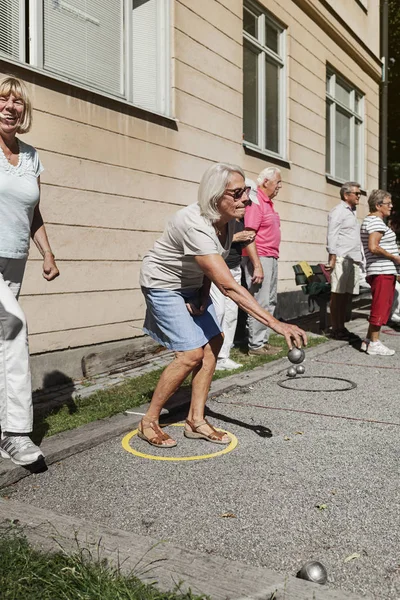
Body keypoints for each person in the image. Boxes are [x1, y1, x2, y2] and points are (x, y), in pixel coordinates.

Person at [139, 163, 307, 447]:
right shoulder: (194, 224)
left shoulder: (228, 223)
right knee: (190, 354)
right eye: (238, 193)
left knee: (214, 341)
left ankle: (195, 420)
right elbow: (229, 286)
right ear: (216, 196)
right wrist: (276, 324)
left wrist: (203, 294)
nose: (247, 199)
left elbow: (209, 266)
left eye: (248, 192)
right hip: (163, 284)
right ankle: (149, 421)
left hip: (191, 283)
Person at [0, 76, 59, 465]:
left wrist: (47, 253)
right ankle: (16, 433)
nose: (9, 106)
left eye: (16, 101)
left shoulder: (32, 156)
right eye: (2, 98)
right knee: (13, 330)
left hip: (14, 258)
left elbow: (32, 210)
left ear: (25, 110)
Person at [209, 179, 257, 371]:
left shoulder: (239, 218)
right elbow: (211, 241)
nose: (245, 204)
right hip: (219, 269)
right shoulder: (219, 218)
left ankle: (223, 356)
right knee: (218, 311)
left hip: (235, 267)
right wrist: (237, 237)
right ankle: (211, 355)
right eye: (242, 199)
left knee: (231, 314)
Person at [242, 168, 282, 356]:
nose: (280, 186)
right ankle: (256, 345)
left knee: (270, 300)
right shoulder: (256, 201)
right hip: (260, 257)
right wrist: (256, 265)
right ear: (266, 182)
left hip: (271, 256)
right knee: (260, 301)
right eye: (278, 182)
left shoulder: (268, 203)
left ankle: (263, 342)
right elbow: (249, 235)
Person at [360, 190, 400, 356]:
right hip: (381, 270)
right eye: (388, 203)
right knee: (381, 306)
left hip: (382, 270)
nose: (391, 206)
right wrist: (395, 258)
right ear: (378, 205)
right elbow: (373, 247)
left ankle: (369, 340)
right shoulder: (375, 222)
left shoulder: (373, 221)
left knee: (382, 305)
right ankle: (375, 343)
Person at [326, 182, 362, 340]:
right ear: (346, 195)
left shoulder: (352, 212)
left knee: (346, 295)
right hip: (341, 257)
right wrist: (332, 257)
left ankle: (341, 326)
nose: (359, 196)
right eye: (356, 193)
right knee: (337, 294)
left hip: (352, 259)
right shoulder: (338, 211)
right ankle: (335, 328)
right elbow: (332, 234)